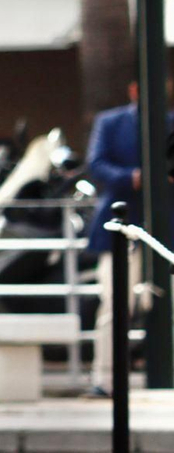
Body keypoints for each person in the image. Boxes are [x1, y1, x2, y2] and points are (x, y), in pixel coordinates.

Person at [87, 82, 170, 394]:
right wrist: (132, 177)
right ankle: (105, 378)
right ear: (133, 90)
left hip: (164, 230)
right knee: (113, 304)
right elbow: (96, 164)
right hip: (120, 228)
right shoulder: (111, 122)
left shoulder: (170, 123)